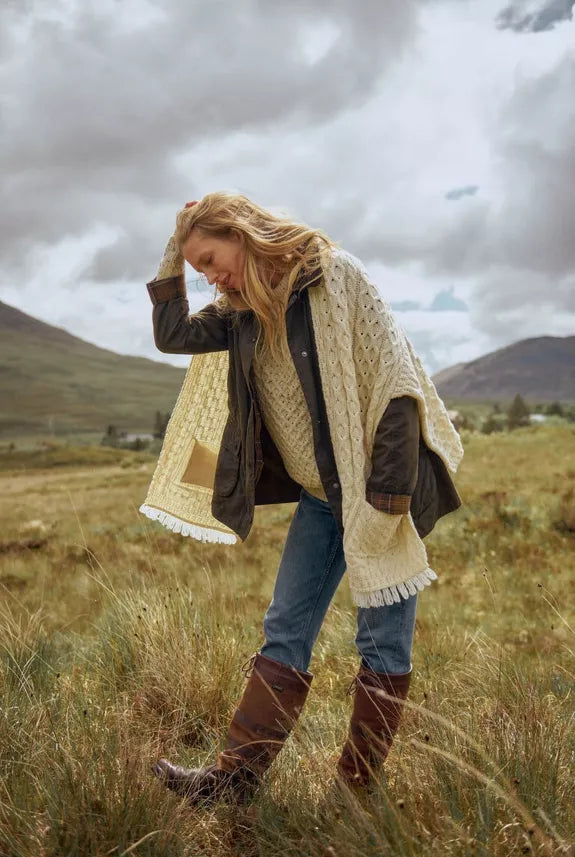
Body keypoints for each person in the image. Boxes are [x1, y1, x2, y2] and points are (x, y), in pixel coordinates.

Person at [145, 191, 463, 804]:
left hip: (379, 490)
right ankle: (233, 783)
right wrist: (177, 241)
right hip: (323, 498)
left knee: (380, 643)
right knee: (285, 627)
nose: (210, 276)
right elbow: (173, 334)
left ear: (241, 232)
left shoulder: (334, 275)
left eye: (211, 258)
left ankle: (354, 795)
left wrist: (387, 503)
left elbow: (395, 384)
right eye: (199, 269)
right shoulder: (238, 311)